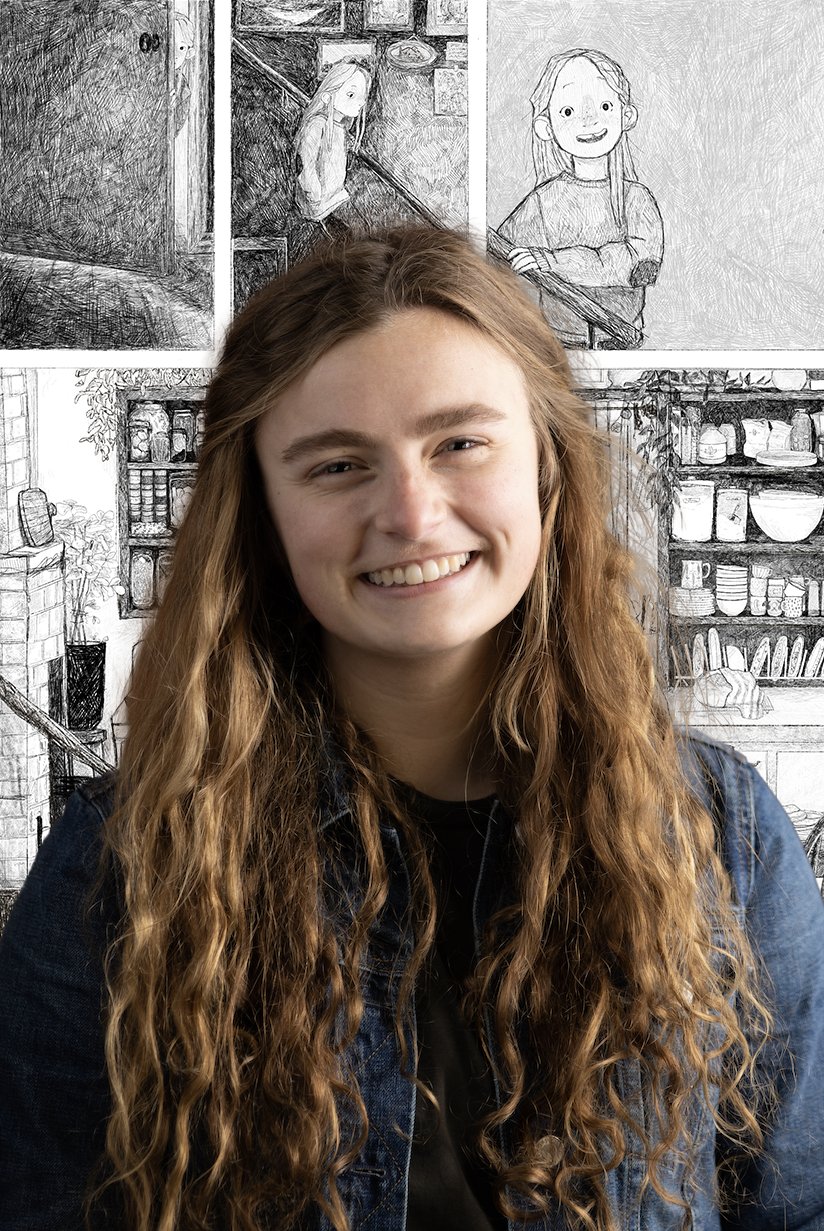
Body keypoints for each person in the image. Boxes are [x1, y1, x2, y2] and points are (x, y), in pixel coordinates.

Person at [1, 223, 823, 1231]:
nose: (411, 511)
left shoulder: (726, 841)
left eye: (459, 443)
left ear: (545, 467)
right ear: (261, 511)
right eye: (337, 466)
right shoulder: (114, 873)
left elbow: (789, 1207)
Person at [497, 48, 664, 349]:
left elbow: (640, 269)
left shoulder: (637, 200)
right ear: (545, 127)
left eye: (603, 105)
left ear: (626, 115)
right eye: (568, 112)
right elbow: (498, 260)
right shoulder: (541, 201)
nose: (588, 120)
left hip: (620, 344)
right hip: (556, 346)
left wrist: (553, 262)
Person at [294, 59, 372, 225]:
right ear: (327, 96)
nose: (360, 102)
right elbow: (307, 167)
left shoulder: (340, 128)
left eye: (363, 96)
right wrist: (315, 200)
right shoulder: (316, 125)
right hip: (320, 209)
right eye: (351, 95)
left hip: (336, 200)